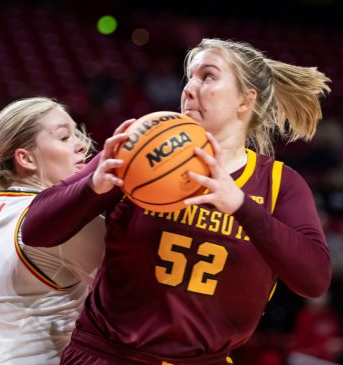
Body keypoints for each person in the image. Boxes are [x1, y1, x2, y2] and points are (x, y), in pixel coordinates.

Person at [21, 39, 332, 365]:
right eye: (190, 77)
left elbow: (314, 280)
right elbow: (34, 231)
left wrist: (242, 206)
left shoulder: (279, 184)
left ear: (245, 99)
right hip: (109, 356)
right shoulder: (138, 150)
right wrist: (91, 187)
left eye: (208, 76)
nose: (189, 88)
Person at [0, 97, 106, 365]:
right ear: (25, 158)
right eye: (64, 137)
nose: (82, 145)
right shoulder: (63, 222)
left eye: (78, 133)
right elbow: (137, 298)